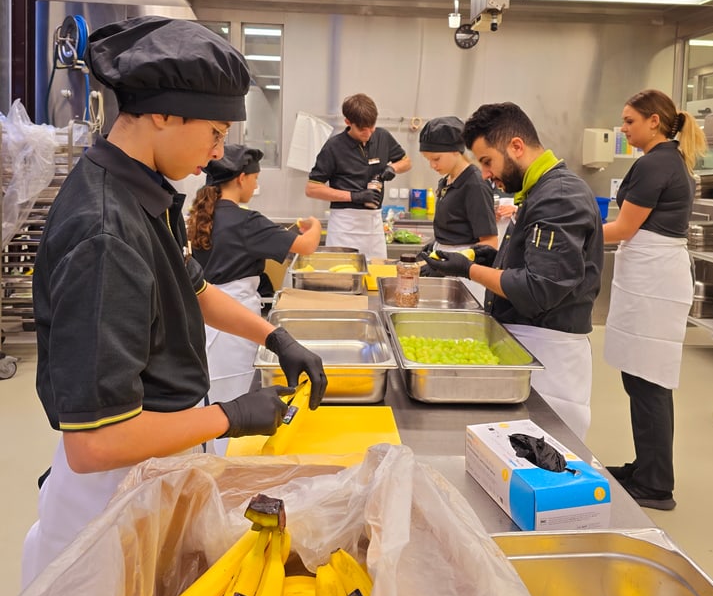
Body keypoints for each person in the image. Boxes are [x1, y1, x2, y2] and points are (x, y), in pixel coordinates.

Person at [22, 16, 327, 586]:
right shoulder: (105, 234)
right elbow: (94, 443)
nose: (216, 154)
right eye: (214, 132)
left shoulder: (146, 193)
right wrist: (230, 416)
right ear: (162, 114)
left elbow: (197, 289)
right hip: (108, 501)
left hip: (150, 471)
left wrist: (274, 337)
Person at [424, 102, 603, 440]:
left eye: (488, 161)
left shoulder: (560, 197)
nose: (486, 173)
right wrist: (488, 255)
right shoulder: (537, 191)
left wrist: (470, 268)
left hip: (551, 355)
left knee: (548, 457)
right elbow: (533, 261)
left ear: (516, 146)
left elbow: (539, 289)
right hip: (530, 346)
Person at [602, 89, 706, 511]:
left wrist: (573, 226)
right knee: (640, 378)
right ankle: (645, 468)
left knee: (650, 383)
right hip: (651, 279)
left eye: (629, 121)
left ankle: (656, 484)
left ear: (654, 122)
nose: (623, 129)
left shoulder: (656, 163)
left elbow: (623, 228)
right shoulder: (665, 160)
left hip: (654, 283)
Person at [187, 144, 322, 406]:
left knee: (210, 399)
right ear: (241, 178)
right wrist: (315, 224)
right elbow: (306, 246)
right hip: (234, 326)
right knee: (231, 404)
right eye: (255, 179)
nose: (255, 186)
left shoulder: (200, 217)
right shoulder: (247, 221)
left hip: (203, 321)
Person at [305, 93, 411, 259]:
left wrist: (393, 168)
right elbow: (312, 189)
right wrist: (354, 196)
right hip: (344, 225)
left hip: (374, 223)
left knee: (375, 275)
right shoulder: (334, 147)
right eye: (362, 129)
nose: (369, 133)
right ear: (348, 122)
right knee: (343, 276)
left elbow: (406, 162)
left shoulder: (382, 136)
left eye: (372, 126)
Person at [417, 116, 497, 301]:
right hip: (444, 265)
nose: (432, 165)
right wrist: (435, 246)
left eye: (436, 158)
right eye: (428, 160)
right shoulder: (447, 180)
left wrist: (456, 261)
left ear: (456, 151)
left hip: (465, 275)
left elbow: (490, 243)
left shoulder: (475, 184)